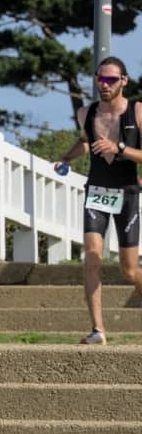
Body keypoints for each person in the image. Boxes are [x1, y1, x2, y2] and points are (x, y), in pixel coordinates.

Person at [54, 56, 142, 345]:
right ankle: (98, 330)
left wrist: (119, 147)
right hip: (97, 191)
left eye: (111, 80)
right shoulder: (86, 113)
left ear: (124, 81)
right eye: (100, 79)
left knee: (129, 269)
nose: (104, 85)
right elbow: (84, 140)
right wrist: (66, 158)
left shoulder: (137, 111)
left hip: (126, 192)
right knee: (92, 257)